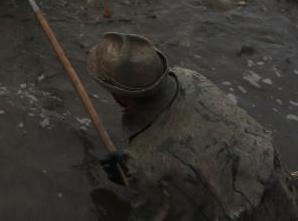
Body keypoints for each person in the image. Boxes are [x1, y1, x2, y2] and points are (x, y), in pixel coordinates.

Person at [86, 32, 298, 220]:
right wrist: (135, 170)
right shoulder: (188, 77)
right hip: (281, 186)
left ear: (121, 97)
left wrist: (142, 178)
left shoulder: (147, 164)